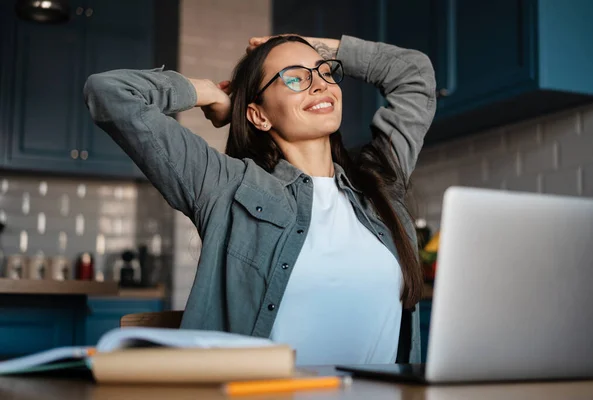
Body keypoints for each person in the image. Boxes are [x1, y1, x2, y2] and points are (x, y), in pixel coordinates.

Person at [84, 33, 436, 365]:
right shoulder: (225, 185)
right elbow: (111, 92)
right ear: (259, 115)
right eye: (295, 78)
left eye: (325, 72)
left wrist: (305, 45)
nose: (320, 84)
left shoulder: (380, 181)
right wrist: (207, 92)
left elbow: (414, 74)